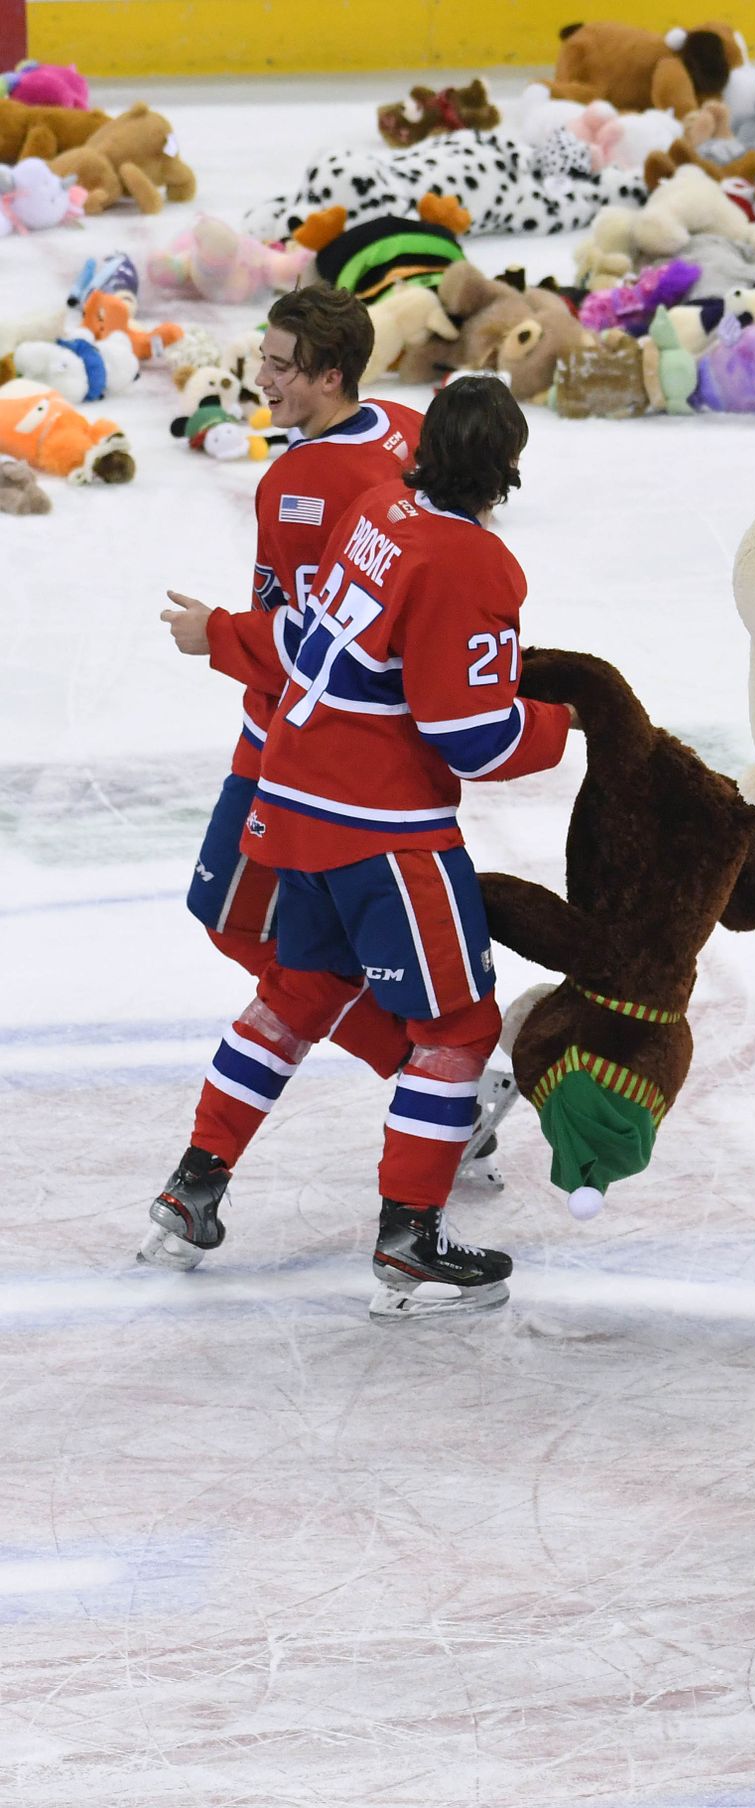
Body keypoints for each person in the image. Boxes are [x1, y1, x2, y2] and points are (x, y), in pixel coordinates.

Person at [142, 376, 576, 1321]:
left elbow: (304, 636)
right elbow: (471, 735)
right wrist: (561, 724)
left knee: (296, 995)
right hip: (378, 827)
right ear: (505, 470)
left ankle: (192, 1186)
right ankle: (410, 1236)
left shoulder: (378, 504)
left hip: (292, 799)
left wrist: (220, 633)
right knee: (458, 1029)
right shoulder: (473, 564)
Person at [157, 289, 475, 1162]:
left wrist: (213, 635)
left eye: (281, 366)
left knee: (241, 928)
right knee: (290, 946)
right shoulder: (405, 424)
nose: (260, 378)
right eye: (263, 358)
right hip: (376, 754)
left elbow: (312, 641)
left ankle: (423, 1076)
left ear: (331, 375)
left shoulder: (299, 484)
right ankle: (428, 1079)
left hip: (298, 751)